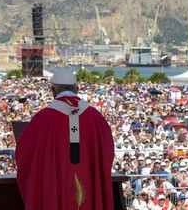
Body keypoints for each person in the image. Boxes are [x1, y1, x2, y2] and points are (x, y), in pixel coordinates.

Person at [16, 69, 115, 210]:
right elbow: (108, 153)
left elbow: (24, 155)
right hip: (90, 188)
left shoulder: (42, 119)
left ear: (52, 90)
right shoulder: (96, 118)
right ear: (77, 89)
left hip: (54, 190)